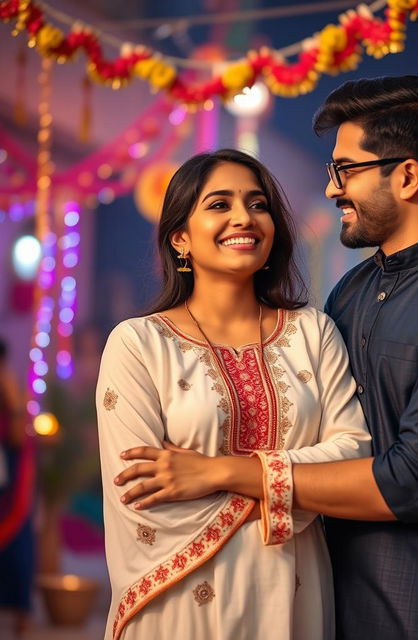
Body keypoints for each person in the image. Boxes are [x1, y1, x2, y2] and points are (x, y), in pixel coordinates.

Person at [121, 77, 418, 639]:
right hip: (328, 603)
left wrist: (220, 470)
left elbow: (414, 483)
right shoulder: (353, 292)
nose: (330, 189)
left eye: (346, 170)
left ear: (408, 176)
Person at [96, 149, 371, 640]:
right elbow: (139, 495)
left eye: (258, 204)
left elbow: (354, 456)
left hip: (294, 593)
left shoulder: (314, 332)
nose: (244, 217)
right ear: (180, 237)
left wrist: (215, 471)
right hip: (179, 602)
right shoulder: (138, 344)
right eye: (219, 204)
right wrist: (302, 484)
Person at [0, 338, 35, 638]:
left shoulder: (8, 386)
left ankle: (21, 616)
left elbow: (18, 437)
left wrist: (13, 404)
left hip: (8, 481)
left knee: (17, 546)